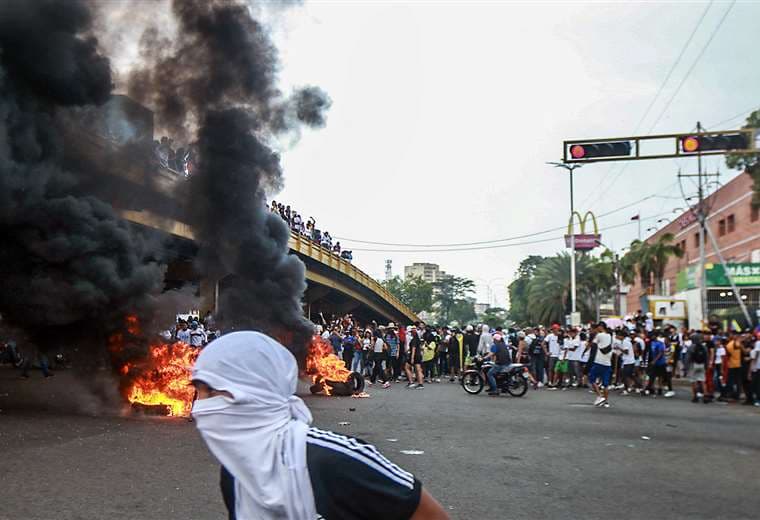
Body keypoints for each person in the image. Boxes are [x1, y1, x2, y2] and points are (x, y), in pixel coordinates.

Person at [191, 331, 449, 520]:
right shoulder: (233, 473)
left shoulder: (337, 459)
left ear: (255, 391)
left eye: (213, 393)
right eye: (199, 393)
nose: (199, 407)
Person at [589, 322, 613, 407]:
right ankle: (606, 402)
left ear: (601, 327)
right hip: (607, 363)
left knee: (592, 378)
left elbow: (592, 344)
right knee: (605, 384)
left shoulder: (599, 335)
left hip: (599, 361)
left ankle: (600, 396)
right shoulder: (610, 336)